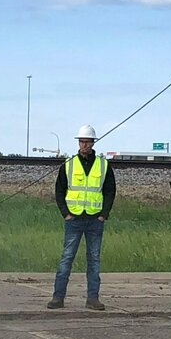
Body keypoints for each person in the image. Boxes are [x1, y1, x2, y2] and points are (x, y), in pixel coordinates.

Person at [48, 124, 115, 311]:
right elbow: (59, 190)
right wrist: (66, 214)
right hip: (74, 219)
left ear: (93, 143)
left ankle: (92, 299)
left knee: (94, 259)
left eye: (87, 141)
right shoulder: (69, 164)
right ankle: (58, 298)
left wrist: (103, 215)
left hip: (95, 220)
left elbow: (110, 191)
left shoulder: (103, 165)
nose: (84, 144)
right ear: (79, 143)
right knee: (66, 258)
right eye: (82, 141)